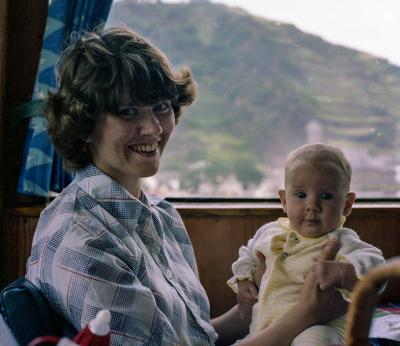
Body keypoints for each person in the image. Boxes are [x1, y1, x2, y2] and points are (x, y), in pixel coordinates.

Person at [26, 27, 348, 346]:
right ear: (84, 124)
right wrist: (304, 316)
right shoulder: (81, 239)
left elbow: (193, 339)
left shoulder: (161, 215)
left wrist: (248, 310)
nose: (153, 128)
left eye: (161, 106)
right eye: (128, 111)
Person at [227, 142, 385, 345]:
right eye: (301, 195)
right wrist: (244, 281)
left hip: (321, 328)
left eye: (326, 196)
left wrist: (345, 273)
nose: (312, 206)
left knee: (314, 340)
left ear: (346, 205)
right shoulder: (269, 233)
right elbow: (247, 255)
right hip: (264, 330)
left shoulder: (342, 242)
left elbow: (377, 270)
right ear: (284, 200)